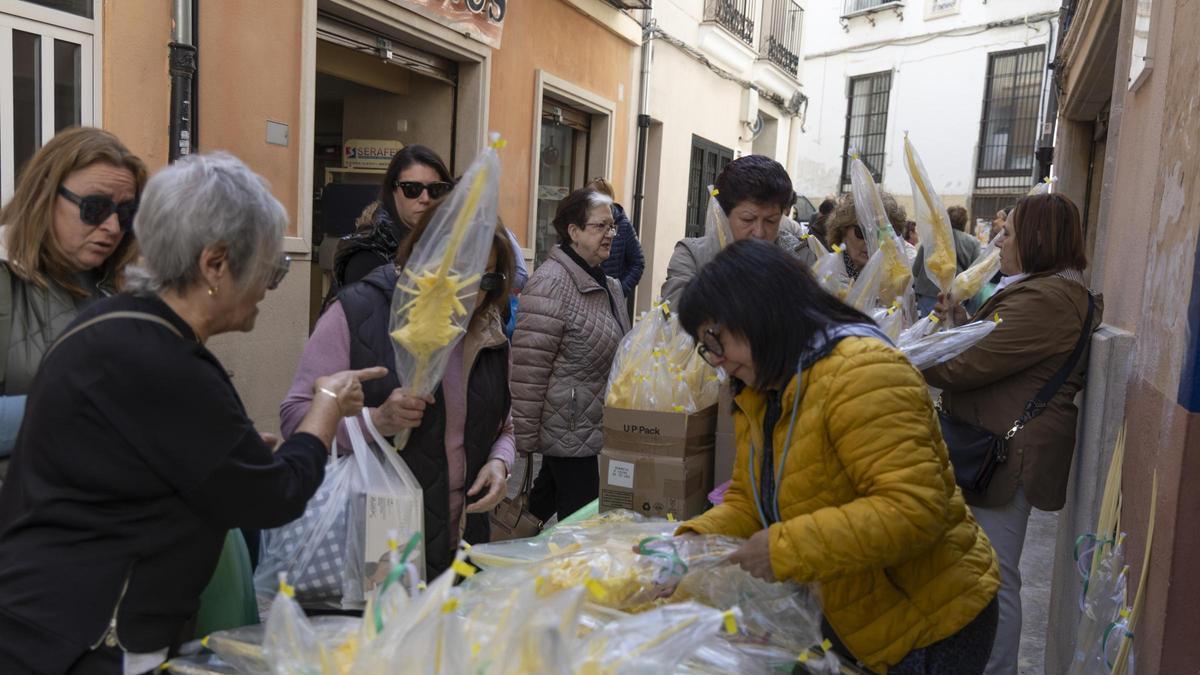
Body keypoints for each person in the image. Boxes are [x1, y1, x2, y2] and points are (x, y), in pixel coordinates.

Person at [0, 152, 385, 674]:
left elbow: (142, 464)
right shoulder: (165, 360)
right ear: (215, 264)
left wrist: (236, 454)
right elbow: (274, 497)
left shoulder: (113, 323)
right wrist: (327, 407)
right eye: (269, 269)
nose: (266, 290)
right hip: (86, 643)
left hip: (43, 625)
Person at [669, 239, 999, 674]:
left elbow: (915, 509)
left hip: (929, 618)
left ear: (758, 314)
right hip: (856, 612)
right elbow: (751, 500)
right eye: (705, 346)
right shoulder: (764, 387)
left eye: (716, 340)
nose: (717, 359)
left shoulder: (863, 373)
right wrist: (692, 543)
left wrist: (784, 548)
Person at [282, 203, 517, 578]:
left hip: (462, 554)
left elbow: (504, 425)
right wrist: (376, 420)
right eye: (459, 274)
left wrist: (500, 462)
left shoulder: (487, 331)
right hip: (376, 548)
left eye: (485, 280)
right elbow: (295, 418)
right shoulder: (358, 312)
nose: (471, 296)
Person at [925, 193, 1102, 675]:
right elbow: (991, 348)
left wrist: (903, 352)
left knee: (994, 578)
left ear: (1040, 242)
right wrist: (959, 322)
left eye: (1010, 234)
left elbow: (965, 365)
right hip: (997, 447)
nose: (998, 241)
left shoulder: (1049, 300)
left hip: (1008, 457)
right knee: (981, 572)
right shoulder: (1041, 290)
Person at [0, 128, 146, 466]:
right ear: (45, 194)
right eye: (95, 208)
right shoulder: (5, 278)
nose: (112, 227)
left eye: (126, 213)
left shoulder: (120, 289)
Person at [512, 188, 630, 522]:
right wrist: (522, 440)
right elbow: (528, 369)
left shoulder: (607, 283)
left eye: (612, 226)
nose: (610, 234)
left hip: (587, 424)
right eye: (600, 227)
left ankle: (494, 559)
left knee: (536, 511)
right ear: (573, 232)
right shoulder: (550, 284)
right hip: (568, 429)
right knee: (580, 524)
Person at [659, 155, 801, 307]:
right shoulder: (692, 255)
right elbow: (680, 314)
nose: (759, 233)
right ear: (722, 215)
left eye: (771, 221)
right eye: (747, 219)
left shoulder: (798, 256)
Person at [333, 144, 453, 288]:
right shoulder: (368, 254)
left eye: (436, 189)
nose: (425, 198)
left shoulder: (448, 245)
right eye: (412, 189)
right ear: (393, 191)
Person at [825, 191, 909, 285]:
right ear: (842, 231)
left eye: (881, 234)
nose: (871, 241)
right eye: (862, 232)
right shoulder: (825, 276)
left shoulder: (897, 279)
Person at [913, 204, 982, 315]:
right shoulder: (973, 243)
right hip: (955, 298)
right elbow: (975, 274)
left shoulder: (930, 239)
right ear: (964, 223)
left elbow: (916, 269)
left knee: (927, 329)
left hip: (926, 295)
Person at [588, 177, 645, 299]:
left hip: (610, 299)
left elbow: (638, 263)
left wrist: (619, 290)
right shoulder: (583, 223)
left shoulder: (623, 226)